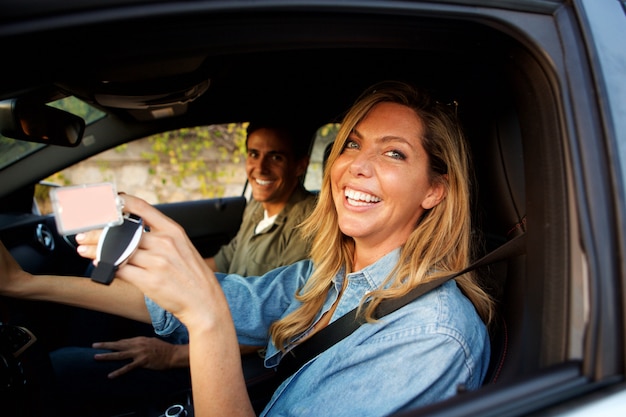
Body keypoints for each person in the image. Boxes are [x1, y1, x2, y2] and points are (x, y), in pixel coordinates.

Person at [0, 80, 494, 417]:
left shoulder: (432, 338)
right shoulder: (324, 276)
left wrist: (206, 319)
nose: (356, 167)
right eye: (350, 144)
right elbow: (190, 297)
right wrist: (26, 283)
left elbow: (207, 308)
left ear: (435, 191)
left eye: (393, 153)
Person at [48, 121, 318, 414]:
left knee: (60, 366)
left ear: (300, 165)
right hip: (192, 314)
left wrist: (171, 356)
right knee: (103, 272)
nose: (260, 168)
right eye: (254, 154)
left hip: (215, 353)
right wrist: (154, 266)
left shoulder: (307, 226)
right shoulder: (257, 206)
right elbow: (222, 261)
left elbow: (280, 325)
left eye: (276, 157)